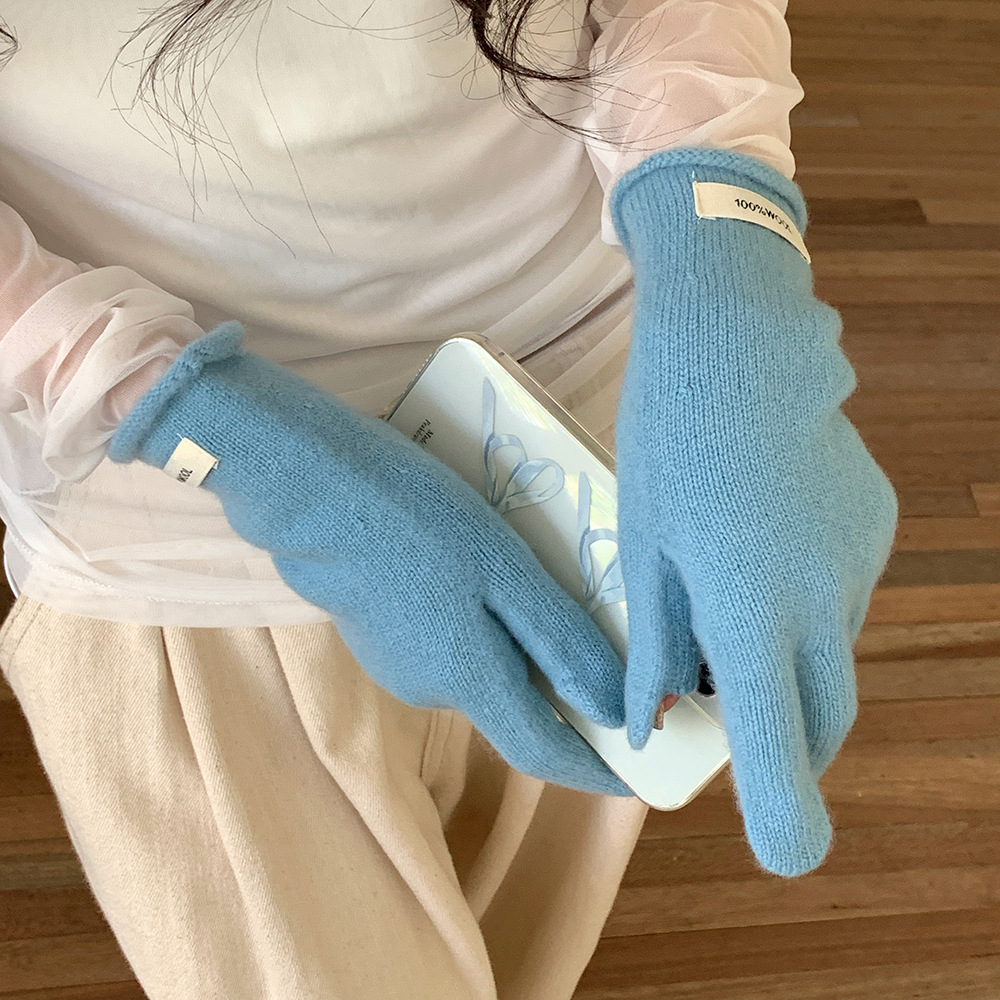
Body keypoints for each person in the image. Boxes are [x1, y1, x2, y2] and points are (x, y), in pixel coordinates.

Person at [0, 1, 897, 997]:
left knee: (530, 938)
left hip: (600, 427)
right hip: (180, 550)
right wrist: (194, 423)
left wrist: (721, 251)